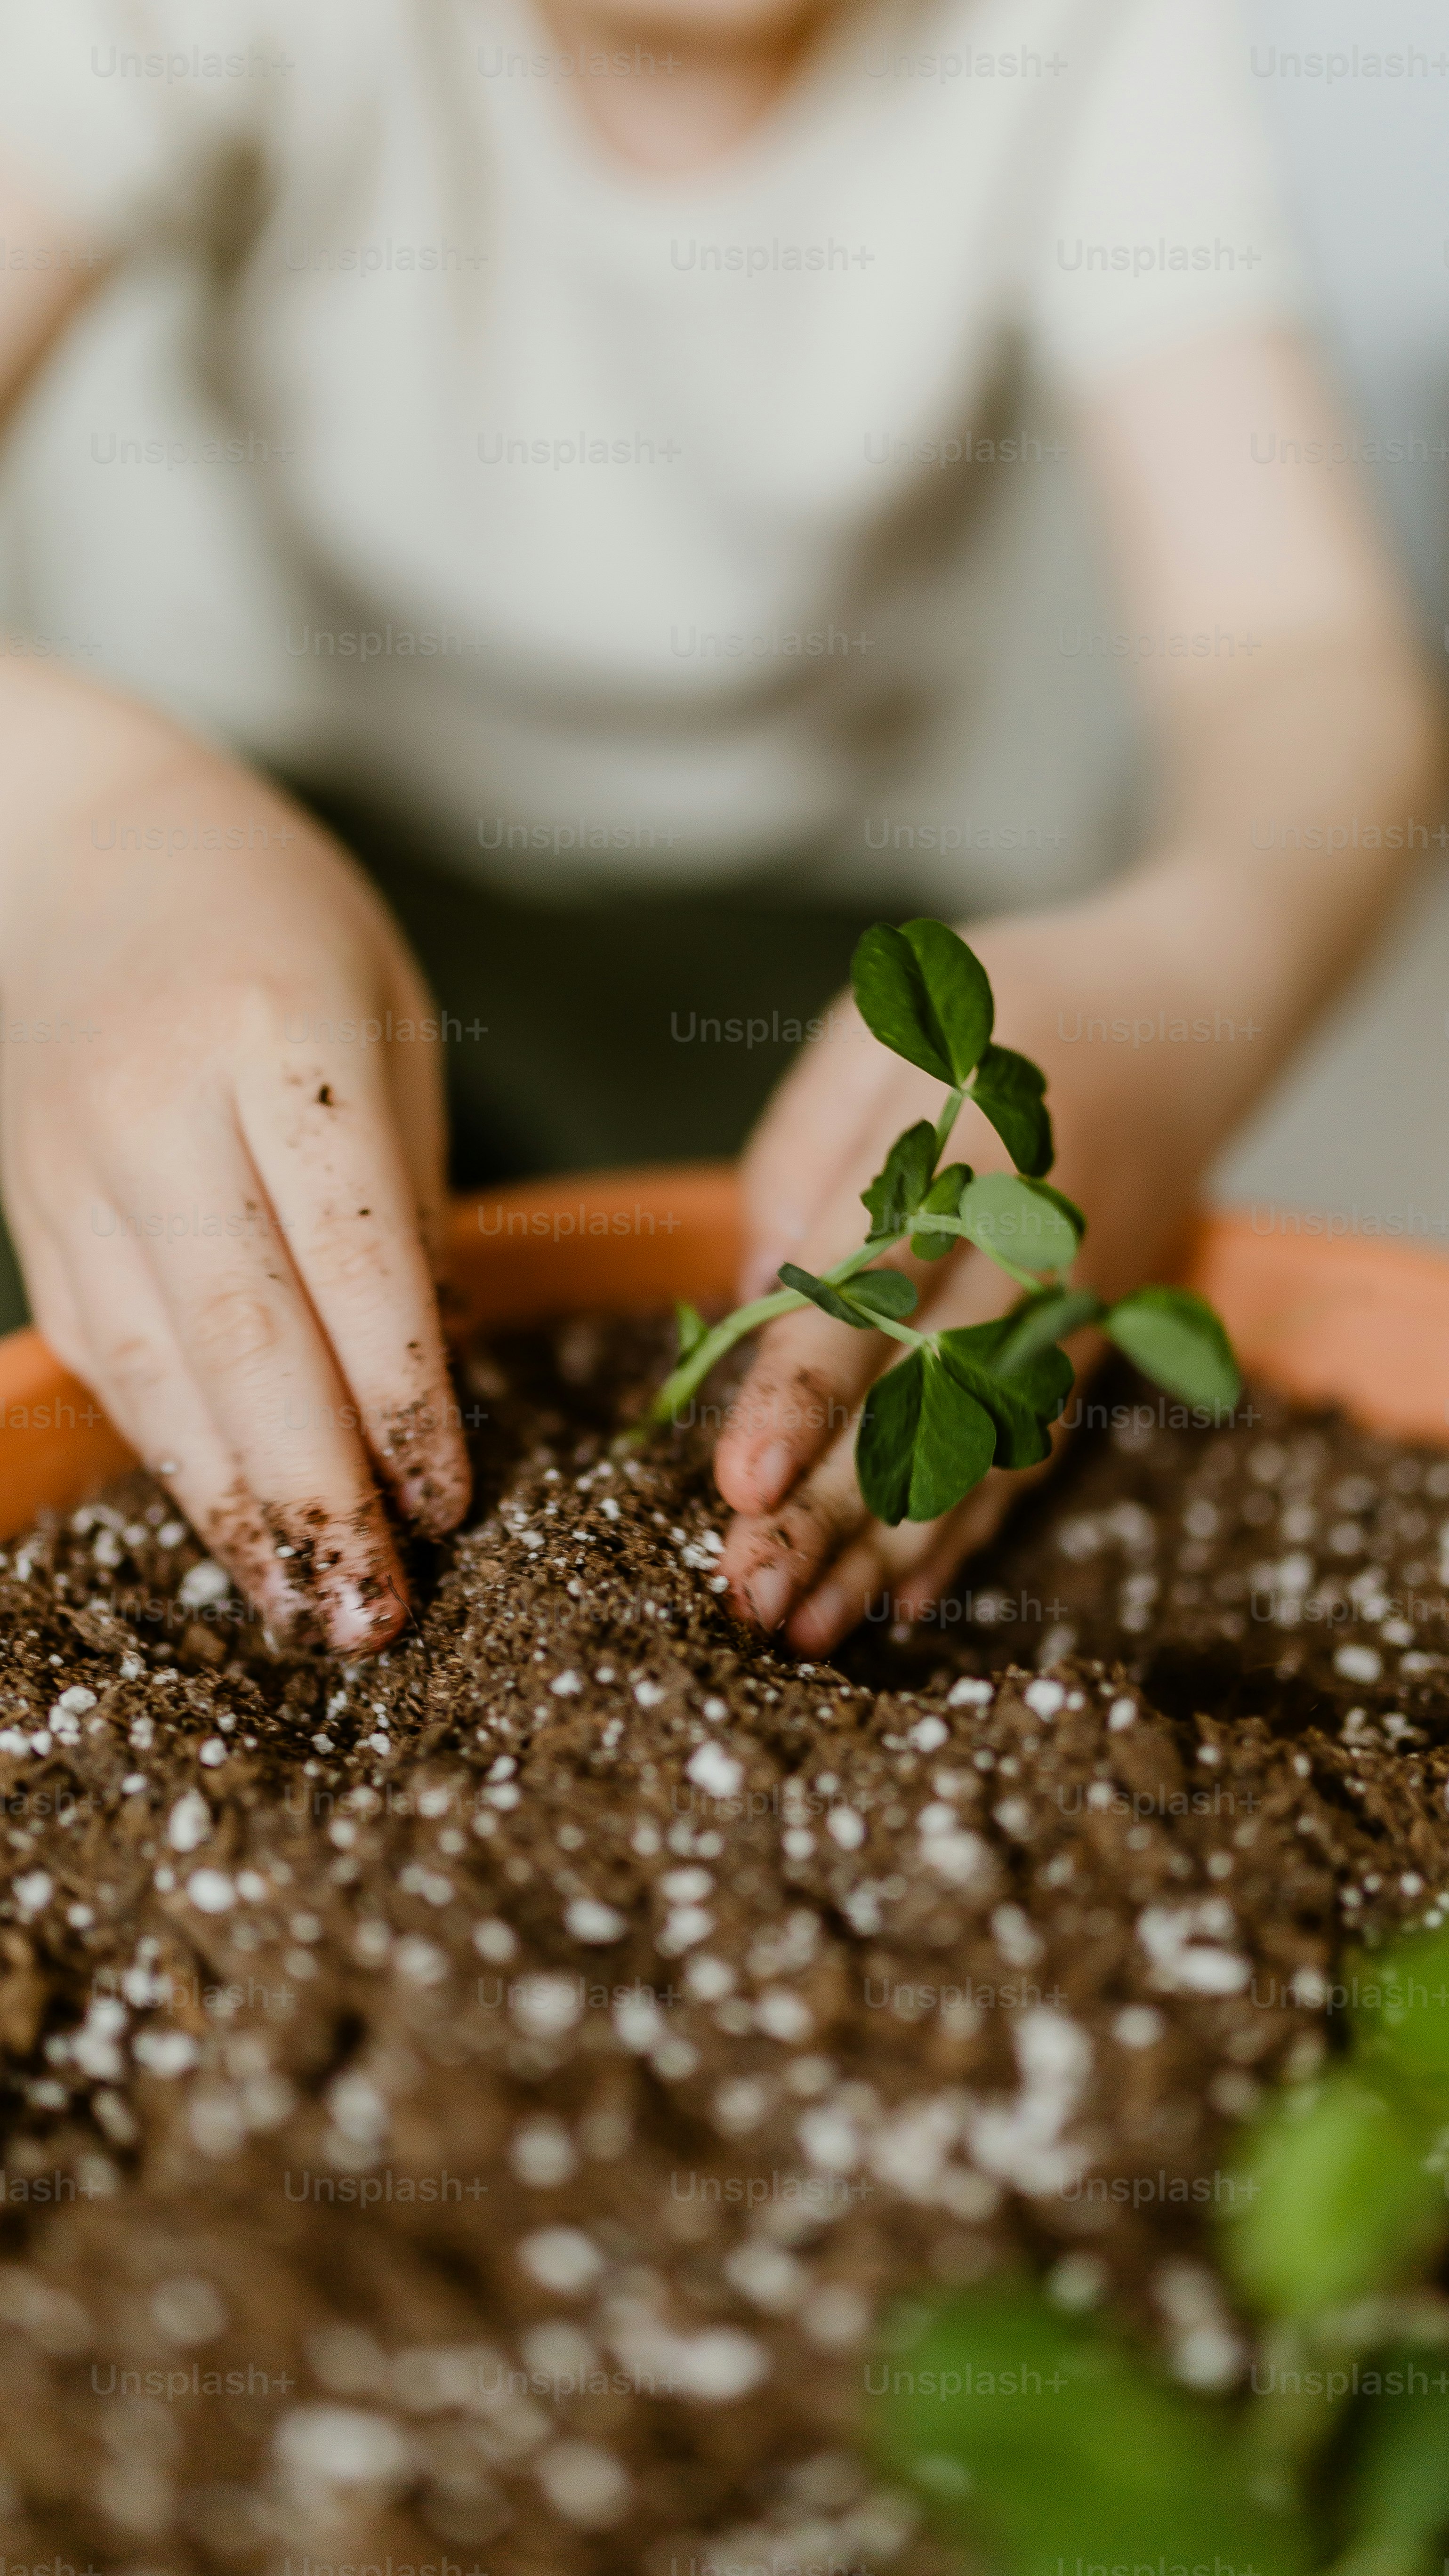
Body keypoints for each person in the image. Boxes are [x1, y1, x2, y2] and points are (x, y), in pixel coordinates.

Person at [0, 0, 1437, 1659]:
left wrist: (1180, 967)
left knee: (843, 1336)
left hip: (793, 954)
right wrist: (83, 830)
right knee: (145, 1249)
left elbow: (1312, 663)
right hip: (246, 881)